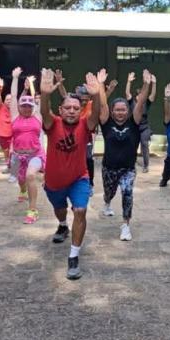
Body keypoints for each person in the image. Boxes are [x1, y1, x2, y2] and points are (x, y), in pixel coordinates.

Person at [40, 68, 101, 280]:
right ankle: (63, 226)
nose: (72, 111)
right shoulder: (52, 124)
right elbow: (44, 112)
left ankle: (73, 256)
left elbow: (96, 114)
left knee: (81, 210)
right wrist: (45, 94)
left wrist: (96, 94)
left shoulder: (86, 125)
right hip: (54, 182)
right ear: (61, 109)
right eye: (68, 108)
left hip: (78, 179)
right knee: (60, 210)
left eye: (76, 107)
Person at [100, 69, 149, 241]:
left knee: (127, 192)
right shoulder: (106, 123)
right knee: (109, 192)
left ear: (128, 111)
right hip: (108, 168)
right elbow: (102, 104)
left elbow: (141, 101)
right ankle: (107, 203)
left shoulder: (134, 123)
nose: (120, 112)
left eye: (123, 110)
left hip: (128, 169)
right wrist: (100, 85)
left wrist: (146, 84)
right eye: (117, 110)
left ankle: (126, 225)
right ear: (113, 111)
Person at [9, 67, 46, 224]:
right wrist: (15, 78)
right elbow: (14, 96)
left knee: (31, 176)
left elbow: (44, 98)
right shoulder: (15, 116)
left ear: (33, 107)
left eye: (29, 106)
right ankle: (23, 189)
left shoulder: (37, 116)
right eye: (23, 105)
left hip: (35, 154)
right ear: (19, 107)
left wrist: (44, 79)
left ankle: (32, 210)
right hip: (18, 155)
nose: (26, 108)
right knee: (21, 179)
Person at [125, 71, 157, 173]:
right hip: (134, 128)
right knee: (131, 145)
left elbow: (152, 95)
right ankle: (130, 163)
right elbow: (127, 93)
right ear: (137, 97)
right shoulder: (132, 103)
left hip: (144, 128)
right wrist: (129, 81)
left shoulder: (146, 104)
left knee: (144, 143)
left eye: (143, 95)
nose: (141, 96)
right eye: (139, 95)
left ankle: (146, 165)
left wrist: (154, 83)